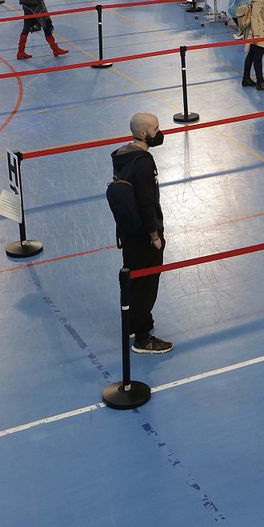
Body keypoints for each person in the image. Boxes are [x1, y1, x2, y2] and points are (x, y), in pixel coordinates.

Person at [110, 113, 173, 354]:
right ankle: (143, 338)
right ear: (145, 134)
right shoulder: (144, 162)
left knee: (134, 279)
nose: (160, 132)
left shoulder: (123, 155)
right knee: (147, 284)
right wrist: (155, 236)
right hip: (144, 235)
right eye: (156, 129)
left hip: (128, 232)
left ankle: (133, 324)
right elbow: (146, 202)